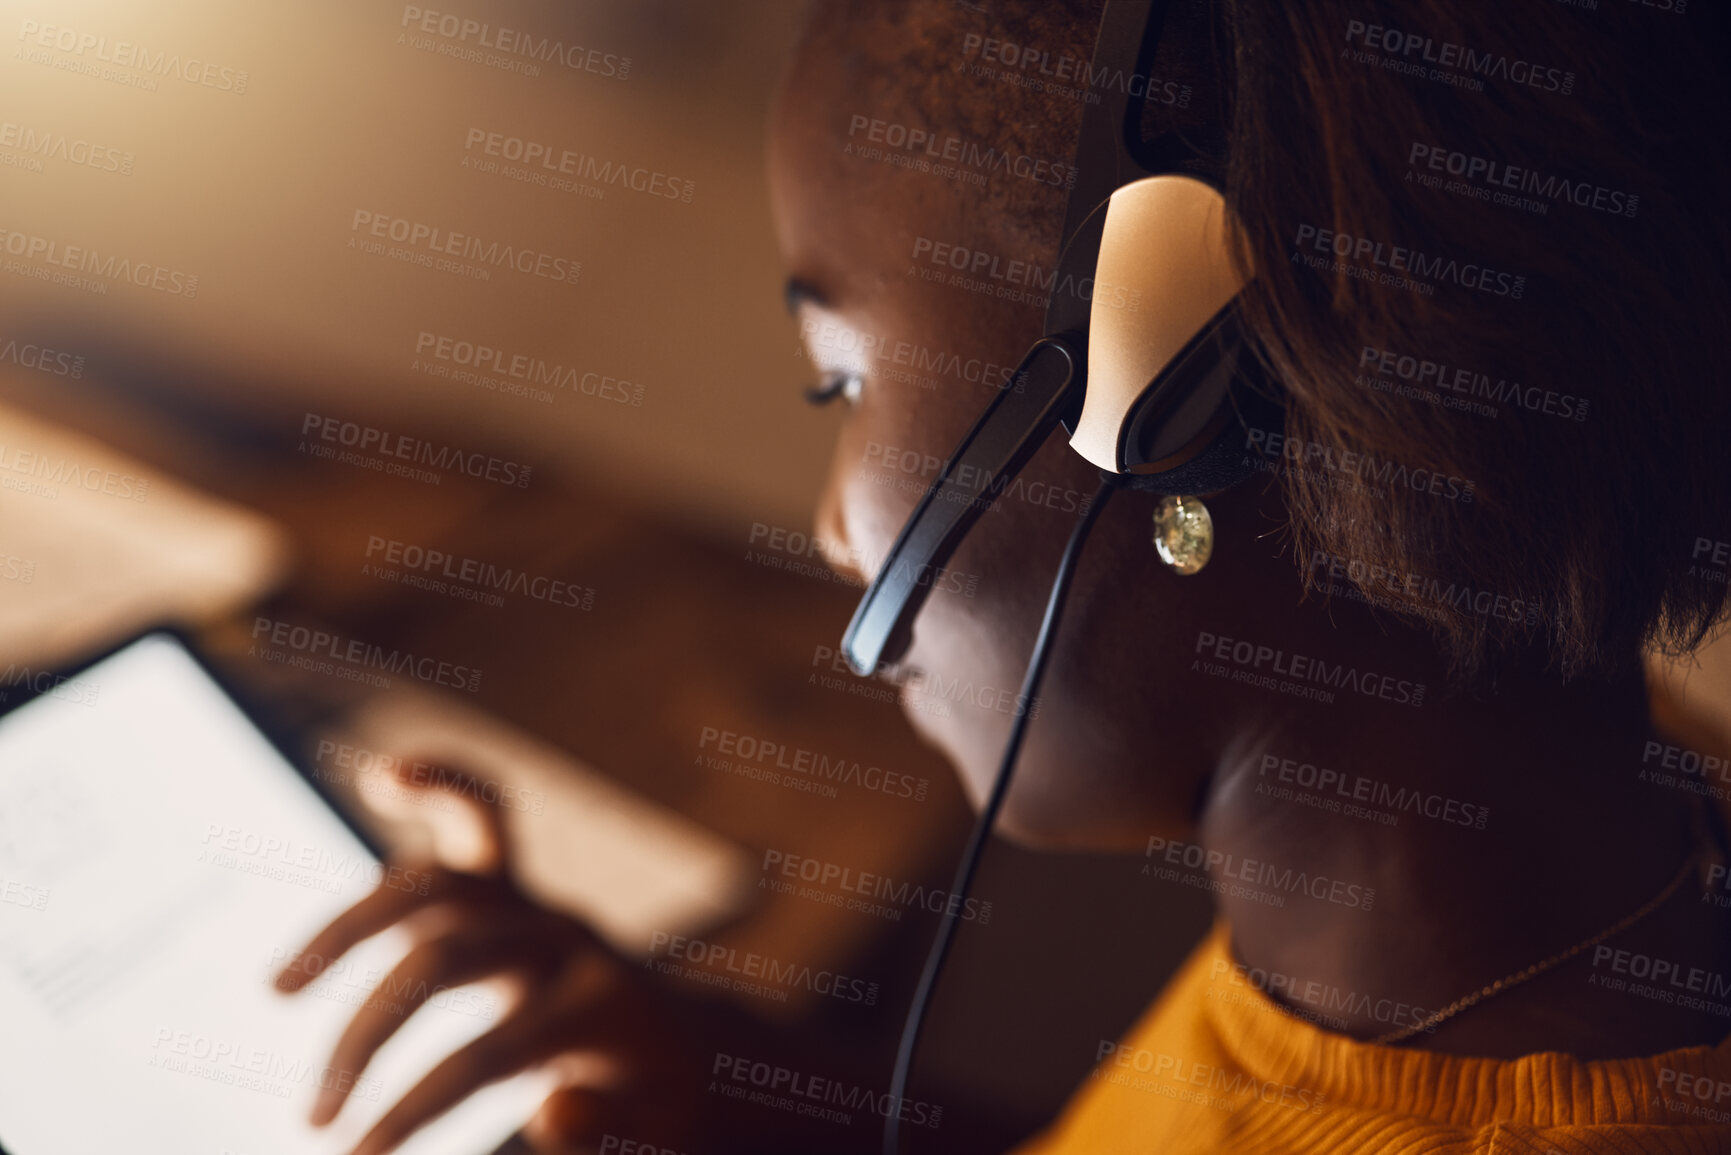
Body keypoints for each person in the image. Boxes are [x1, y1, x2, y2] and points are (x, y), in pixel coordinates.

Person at [277, 1, 1731, 1151]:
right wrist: (725, 1081)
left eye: (837, 381)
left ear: (1173, 390)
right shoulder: (1476, 919)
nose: (840, 533)